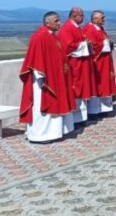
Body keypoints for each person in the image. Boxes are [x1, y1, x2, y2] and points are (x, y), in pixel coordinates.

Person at [19, 12, 75, 143]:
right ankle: (40, 135)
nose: (59, 23)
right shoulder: (39, 37)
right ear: (47, 22)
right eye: (56, 21)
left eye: (59, 20)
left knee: (55, 103)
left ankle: (53, 133)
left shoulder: (53, 37)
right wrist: (41, 78)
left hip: (55, 78)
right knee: (43, 105)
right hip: (43, 81)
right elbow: (36, 60)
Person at [58, 7, 94, 124]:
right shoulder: (67, 28)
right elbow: (68, 46)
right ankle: (76, 118)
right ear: (74, 16)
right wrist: (84, 44)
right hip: (74, 64)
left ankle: (82, 117)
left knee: (82, 90)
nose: (83, 18)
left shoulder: (77, 28)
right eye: (81, 16)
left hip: (81, 63)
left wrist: (87, 44)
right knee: (76, 89)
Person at [84, 10, 116, 115]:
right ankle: (95, 110)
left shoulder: (100, 29)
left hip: (105, 61)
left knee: (105, 84)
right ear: (95, 19)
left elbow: (104, 41)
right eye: (102, 18)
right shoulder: (89, 29)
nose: (104, 20)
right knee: (98, 85)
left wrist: (109, 42)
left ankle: (105, 108)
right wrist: (104, 44)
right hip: (97, 62)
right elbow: (92, 45)